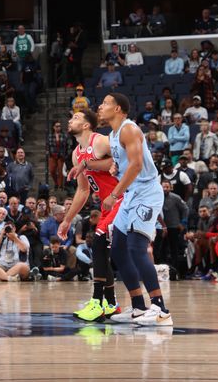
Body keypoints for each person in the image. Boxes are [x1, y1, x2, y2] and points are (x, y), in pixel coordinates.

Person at [97, 93, 172, 326]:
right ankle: (139, 307)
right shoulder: (112, 135)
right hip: (131, 195)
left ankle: (160, 309)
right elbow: (124, 163)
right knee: (118, 250)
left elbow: (138, 165)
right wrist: (113, 168)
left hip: (147, 192)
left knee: (137, 247)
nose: (100, 106)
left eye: (106, 103)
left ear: (118, 109)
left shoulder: (129, 129)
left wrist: (113, 194)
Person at [59, 109, 123, 322]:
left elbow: (120, 160)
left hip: (121, 199)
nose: (70, 120)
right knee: (101, 251)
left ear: (87, 125)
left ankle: (97, 302)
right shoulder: (76, 153)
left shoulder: (100, 141)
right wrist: (67, 219)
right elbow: (83, 190)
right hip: (106, 205)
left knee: (97, 245)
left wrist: (87, 164)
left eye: (76, 117)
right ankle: (111, 303)